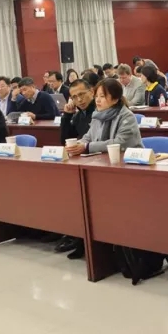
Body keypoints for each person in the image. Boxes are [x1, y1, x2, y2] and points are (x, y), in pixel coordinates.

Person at [64, 79, 143, 258]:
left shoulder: (126, 116)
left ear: (114, 98)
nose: (97, 100)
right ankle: (86, 241)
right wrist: (78, 144)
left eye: (102, 96)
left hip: (128, 170)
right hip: (103, 167)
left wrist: (87, 147)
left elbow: (120, 143)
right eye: (97, 96)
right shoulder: (97, 115)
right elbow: (88, 136)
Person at [56, 78, 97, 257]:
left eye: (82, 94)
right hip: (83, 161)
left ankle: (83, 240)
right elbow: (65, 140)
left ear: (92, 92)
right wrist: (67, 116)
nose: (79, 99)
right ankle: (77, 236)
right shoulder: (79, 114)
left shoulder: (99, 111)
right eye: (74, 97)